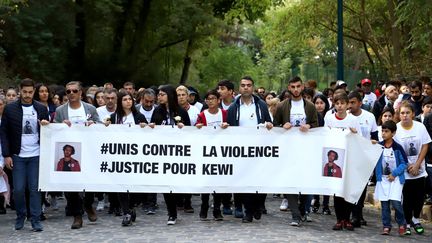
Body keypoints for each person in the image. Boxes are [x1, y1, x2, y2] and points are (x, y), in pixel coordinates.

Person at [0, 78, 49, 231]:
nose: (27, 95)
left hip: (36, 154)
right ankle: (21, 215)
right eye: (25, 92)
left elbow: (48, 131)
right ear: (20, 91)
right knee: (19, 189)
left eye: (30, 92)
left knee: (34, 188)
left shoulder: (41, 108)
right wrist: (7, 155)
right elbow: (4, 133)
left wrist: (46, 125)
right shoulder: (10, 109)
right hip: (17, 155)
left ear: (34, 91)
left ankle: (35, 219)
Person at [53, 81, 100, 229]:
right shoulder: (60, 110)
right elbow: (53, 128)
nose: (71, 94)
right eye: (68, 91)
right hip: (70, 151)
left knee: (90, 182)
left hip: (89, 151)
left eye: (74, 91)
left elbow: (101, 126)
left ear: (81, 93)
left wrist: (93, 123)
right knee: (70, 185)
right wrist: (61, 125)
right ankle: (77, 215)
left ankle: (88, 204)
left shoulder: (90, 108)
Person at [226, 76, 273, 223]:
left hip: (259, 149)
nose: (246, 87)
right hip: (241, 151)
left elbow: (269, 122)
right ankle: (248, 212)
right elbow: (229, 127)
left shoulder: (261, 105)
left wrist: (269, 125)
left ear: (253, 87)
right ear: (239, 88)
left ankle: (258, 205)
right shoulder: (233, 107)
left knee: (260, 180)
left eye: (248, 85)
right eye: (243, 85)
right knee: (245, 181)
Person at [273, 76, 318, 226]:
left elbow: (317, 127)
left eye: (298, 86)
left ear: (303, 87)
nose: (296, 89)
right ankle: (295, 214)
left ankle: (302, 210)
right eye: (293, 87)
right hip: (288, 150)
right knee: (290, 181)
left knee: (305, 182)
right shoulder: (281, 106)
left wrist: (309, 127)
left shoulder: (310, 106)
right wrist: (282, 127)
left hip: (306, 150)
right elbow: (275, 128)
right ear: (288, 88)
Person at [149, 84, 191, 225]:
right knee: (167, 185)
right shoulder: (157, 111)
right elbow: (151, 130)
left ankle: (181, 201)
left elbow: (190, 132)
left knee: (178, 184)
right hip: (163, 153)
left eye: (162, 94)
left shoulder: (181, 111)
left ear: (170, 95)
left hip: (179, 153)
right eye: (159, 94)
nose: (159, 96)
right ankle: (171, 213)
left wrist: (183, 128)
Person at [104, 91, 147, 226]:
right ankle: (126, 212)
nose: (128, 101)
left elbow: (150, 133)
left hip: (136, 156)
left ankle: (132, 206)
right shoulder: (113, 117)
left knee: (136, 186)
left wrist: (145, 127)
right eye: (125, 99)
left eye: (130, 99)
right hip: (119, 156)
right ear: (120, 102)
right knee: (121, 185)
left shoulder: (139, 116)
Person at [324, 92, 361, 231]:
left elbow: (360, 140)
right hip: (335, 159)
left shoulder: (353, 120)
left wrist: (354, 133)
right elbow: (325, 137)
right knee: (337, 191)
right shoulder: (329, 118)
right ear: (334, 104)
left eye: (342, 103)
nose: (340, 106)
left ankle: (347, 218)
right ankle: (339, 219)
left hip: (350, 159)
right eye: (337, 103)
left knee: (348, 190)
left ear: (347, 105)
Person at [394, 101, 431, 235]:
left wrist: (416, 165)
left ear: (413, 114)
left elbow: (425, 145)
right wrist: (408, 165)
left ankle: (416, 218)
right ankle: (407, 222)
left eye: (407, 113)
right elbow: (396, 150)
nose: (405, 116)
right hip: (405, 171)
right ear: (399, 115)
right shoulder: (396, 129)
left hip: (419, 170)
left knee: (419, 198)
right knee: (407, 198)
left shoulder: (420, 127)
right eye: (402, 113)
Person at [195, 89, 227, 221]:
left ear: (219, 100)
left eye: (213, 98)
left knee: (218, 182)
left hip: (221, 152)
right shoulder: (202, 115)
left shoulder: (224, 113)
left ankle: (217, 208)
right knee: (206, 181)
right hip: (206, 152)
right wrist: (198, 127)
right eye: (208, 99)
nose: (211, 101)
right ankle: (204, 206)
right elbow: (196, 129)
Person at [374, 120, 408, 236]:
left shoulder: (398, 147)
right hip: (383, 179)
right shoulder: (379, 146)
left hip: (396, 178)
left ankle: (402, 223)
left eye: (386, 131)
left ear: (393, 133)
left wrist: (394, 173)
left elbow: (404, 163)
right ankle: (386, 225)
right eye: (382, 131)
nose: (383, 133)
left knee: (396, 202)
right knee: (384, 204)